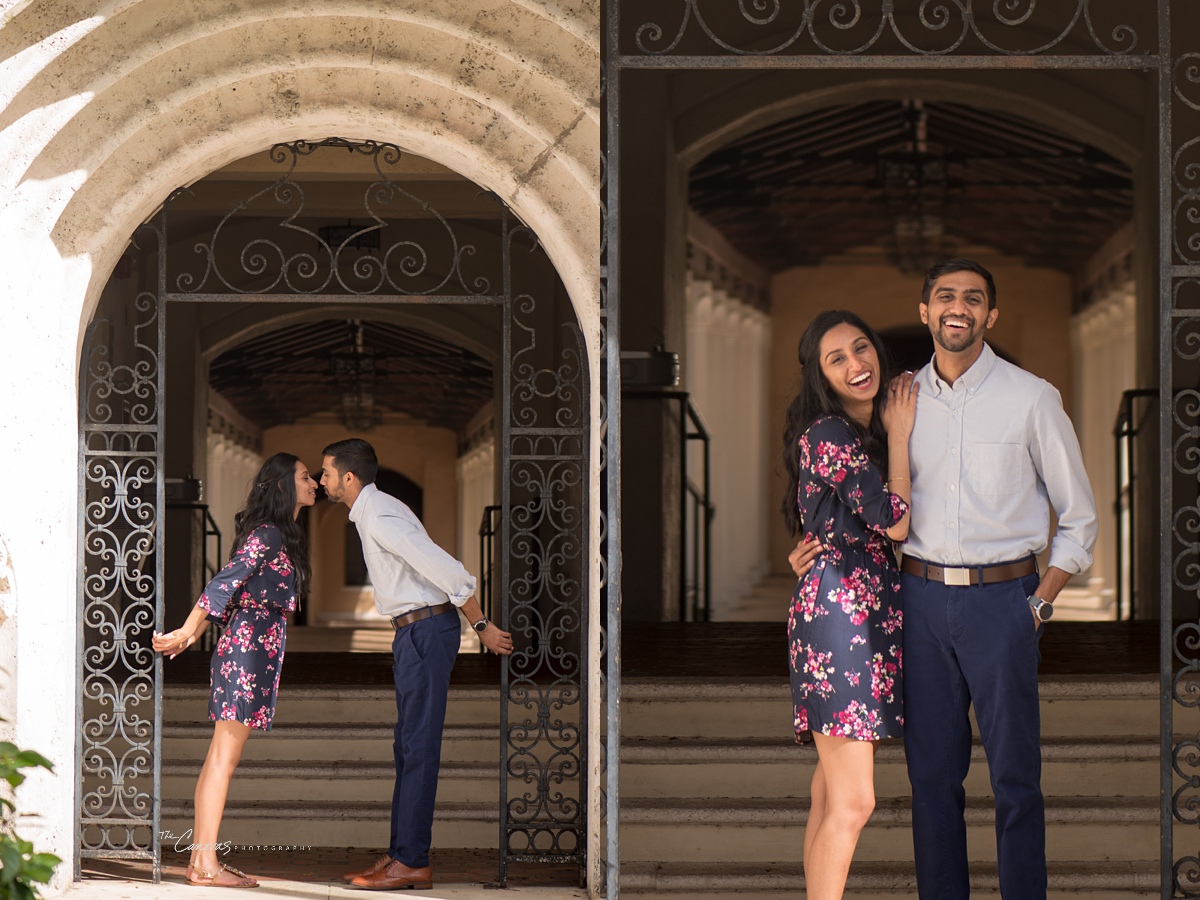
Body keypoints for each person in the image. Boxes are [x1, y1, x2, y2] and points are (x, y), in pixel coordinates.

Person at [901, 258, 1097, 899]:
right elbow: (864, 495)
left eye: (973, 298)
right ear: (925, 310)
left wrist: (1037, 605)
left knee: (1015, 779)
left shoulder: (1031, 398)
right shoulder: (899, 399)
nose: (959, 307)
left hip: (1003, 605)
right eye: (945, 296)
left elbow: (1080, 517)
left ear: (991, 315)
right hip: (920, 602)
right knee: (931, 777)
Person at [322, 438, 514, 892]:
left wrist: (481, 624)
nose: (322, 479)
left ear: (349, 477)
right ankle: (402, 853)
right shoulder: (374, 511)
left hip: (426, 631)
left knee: (418, 745)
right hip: (414, 632)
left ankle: (411, 861)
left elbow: (444, 567)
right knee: (408, 746)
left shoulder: (382, 514)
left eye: (326, 472)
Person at [782, 309, 917, 899]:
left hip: (864, 610)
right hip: (840, 615)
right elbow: (894, 521)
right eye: (837, 359)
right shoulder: (830, 434)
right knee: (856, 801)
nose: (856, 364)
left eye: (861, 348)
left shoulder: (870, 434)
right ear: (821, 376)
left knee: (829, 795)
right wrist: (905, 437)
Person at [152, 452, 318, 888]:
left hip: (253, 648)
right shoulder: (268, 534)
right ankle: (205, 865)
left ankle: (201, 862)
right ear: (282, 485)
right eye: (305, 477)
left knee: (220, 759)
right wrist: (187, 632)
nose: (314, 482)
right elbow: (224, 582)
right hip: (246, 651)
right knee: (223, 760)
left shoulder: (283, 533)